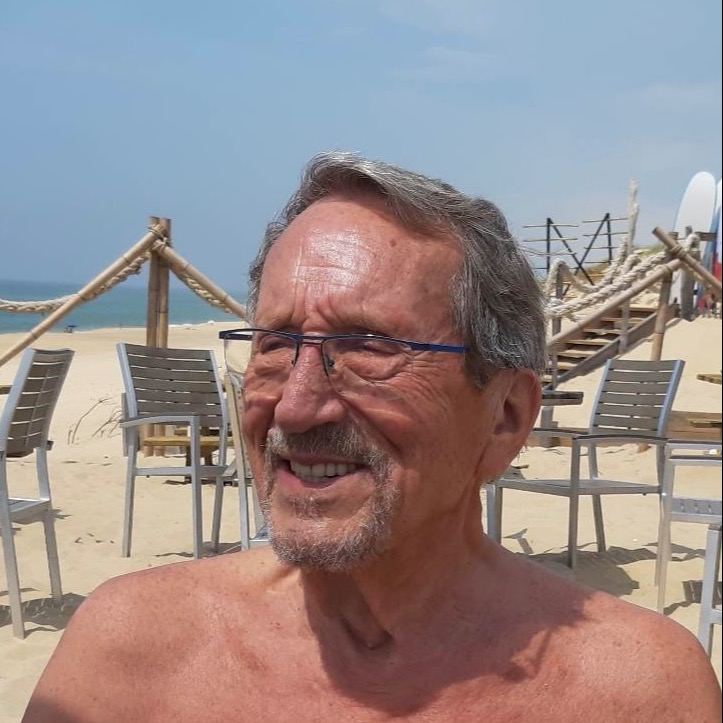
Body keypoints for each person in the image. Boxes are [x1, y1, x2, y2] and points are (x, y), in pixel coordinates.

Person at [24, 152, 721, 722]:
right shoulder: (131, 655)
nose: (296, 407)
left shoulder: (639, 692)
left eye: (368, 347)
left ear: (505, 416)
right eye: (275, 343)